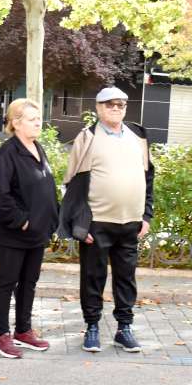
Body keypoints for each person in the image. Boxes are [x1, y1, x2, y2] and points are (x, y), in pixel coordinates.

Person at [58, 86, 154, 354]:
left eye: (120, 105)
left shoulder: (138, 136)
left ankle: (124, 328)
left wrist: (146, 215)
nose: (115, 109)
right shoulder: (87, 138)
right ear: (98, 108)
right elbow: (72, 183)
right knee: (93, 278)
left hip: (130, 224)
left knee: (126, 279)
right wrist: (79, 224)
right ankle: (92, 327)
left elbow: (149, 178)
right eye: (109, 104)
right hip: (97, 223)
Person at [0, 98, 59, 359]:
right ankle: (1, 335)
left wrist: (53, 217)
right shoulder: (7, 152)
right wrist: (22, 221)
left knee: (29, 282)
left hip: (38, 232)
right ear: (16, 123)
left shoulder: (38, 147)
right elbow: (0, 196)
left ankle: (23, 331)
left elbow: (46, 186)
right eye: (32, 119)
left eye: (39, 118)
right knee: (7, 282)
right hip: (15, 233)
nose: (38, 123)